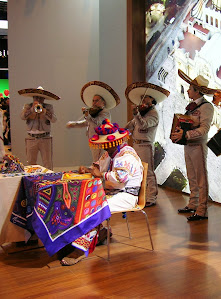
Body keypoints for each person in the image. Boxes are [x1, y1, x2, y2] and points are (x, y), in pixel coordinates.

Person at [60, 119, 143, 266]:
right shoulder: (110, 153)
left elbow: (120, 179)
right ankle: (101, 232)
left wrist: (100, 174)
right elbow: (98, 166)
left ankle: (81, 248)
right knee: (81, 200)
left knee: (94, 207)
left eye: (105, 144)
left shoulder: (126, 155)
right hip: (113, 192)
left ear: (114, 142)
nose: (104, 146)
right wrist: (88, 169)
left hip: (126, 195)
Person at [171, 70, 217, 221]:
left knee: (201, 178)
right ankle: (193, 204)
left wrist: (186, 135)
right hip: (188, 145)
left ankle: (202, 209)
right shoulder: (191, 106)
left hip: (197, 145)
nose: (189, 91)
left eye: (191, 89)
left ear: (197, 91)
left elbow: (204, 130)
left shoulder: (207, 107)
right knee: (192, 176)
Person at [125, 82, 170, 207]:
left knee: (149, 172)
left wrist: (136, 114)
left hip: (145, 145)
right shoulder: (142, 112)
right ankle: (139, 195)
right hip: (136, 144)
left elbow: (143, 124)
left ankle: (151, 197)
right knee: (137, 171)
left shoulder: (153, 114)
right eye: (142, 99)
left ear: (152, 101)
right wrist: (121, 130)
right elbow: (131, 124)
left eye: (146, 98)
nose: (142, 100)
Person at [66, 81, 120, 162]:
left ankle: (100, 173)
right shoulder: (93, 113)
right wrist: (74, 124)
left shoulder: (105, 112)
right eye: (93, 101)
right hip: (93, 140)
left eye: (96, 101)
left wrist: (88, 116)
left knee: (100, 161)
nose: (94, 103)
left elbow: (97, 123)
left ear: (103, 102)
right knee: (96, 160)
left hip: (101, 140)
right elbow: (86, 123)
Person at [19, 86, 59, 170]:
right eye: (36, 97)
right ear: (33, 98)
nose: (38, 99)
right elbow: (22, 117)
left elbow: (54, 119)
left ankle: (49, 180)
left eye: (41, 98)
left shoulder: (48, 107)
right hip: (31, 138)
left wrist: (44, 111)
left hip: (45, 138)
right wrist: (31, 110)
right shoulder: (28, 106)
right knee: (30, 162)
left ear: (44, 99)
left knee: (47, 162)